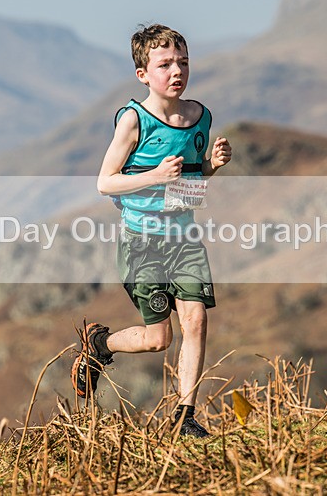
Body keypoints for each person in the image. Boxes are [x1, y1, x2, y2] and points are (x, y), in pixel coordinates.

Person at [71, 24, 232, 437]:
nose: (176, 71)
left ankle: (185, 417)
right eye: (165, 65)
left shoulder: (200, 117)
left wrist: (211, 166)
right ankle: (99, 346)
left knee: (195, 321)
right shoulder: (133, 120)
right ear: (143, 74)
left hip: (185, 239)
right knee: (159, 339)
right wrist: (154, 175)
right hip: (142, 243)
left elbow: (188, 184)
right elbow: (105, 182)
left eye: (183, 62)